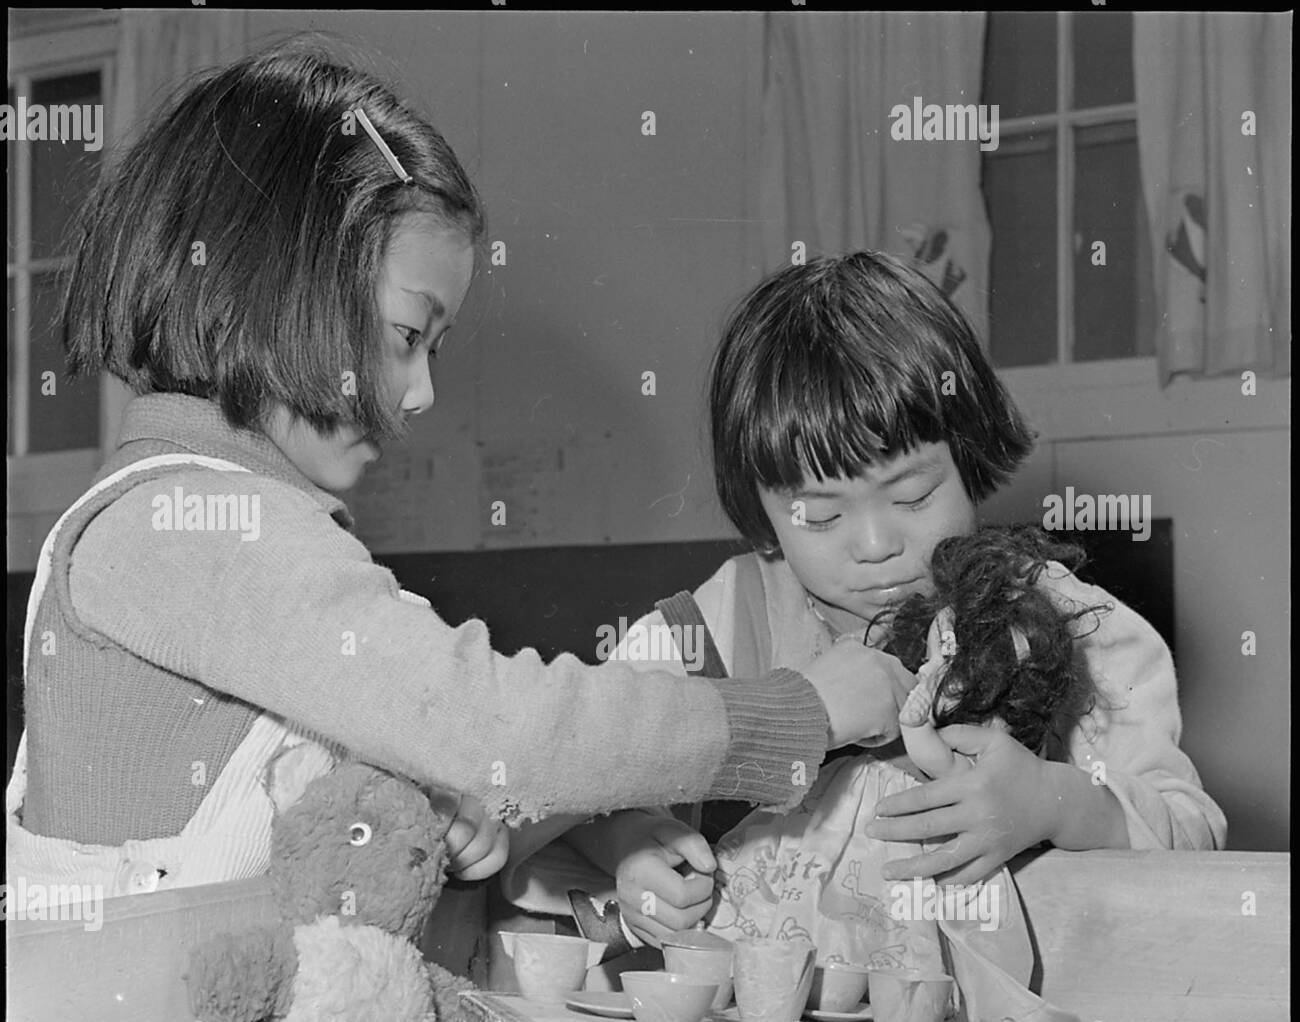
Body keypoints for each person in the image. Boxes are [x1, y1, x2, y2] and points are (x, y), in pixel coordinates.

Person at [5, 45, 909, 900]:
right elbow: (486, 719)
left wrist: (430, 805)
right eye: (408, 335)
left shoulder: (247, 528)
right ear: (283, 278)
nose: (425, 391)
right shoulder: (182, 527)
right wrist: (792, 715)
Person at [503, 251, 1228, 971]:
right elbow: (533, 800)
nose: (878, 545)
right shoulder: (705, 638)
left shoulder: (1076, 629)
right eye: (820, 516)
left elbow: (1194, 837)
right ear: (758, 505)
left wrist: (1057, 801)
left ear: (969, 454)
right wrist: (627, 840)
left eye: (913, 496)